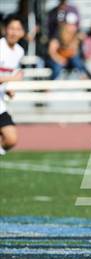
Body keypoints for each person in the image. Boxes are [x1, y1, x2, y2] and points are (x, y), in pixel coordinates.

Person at [0, 15, 25, 155]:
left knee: (11, 139)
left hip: (0, 102)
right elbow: (11, 76)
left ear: (22, 32)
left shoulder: (19, 51)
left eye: (18, 29)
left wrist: (8, 89)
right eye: (11, 28)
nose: (14, 32)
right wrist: (13, 78)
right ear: (5, 30)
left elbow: (6, 77)